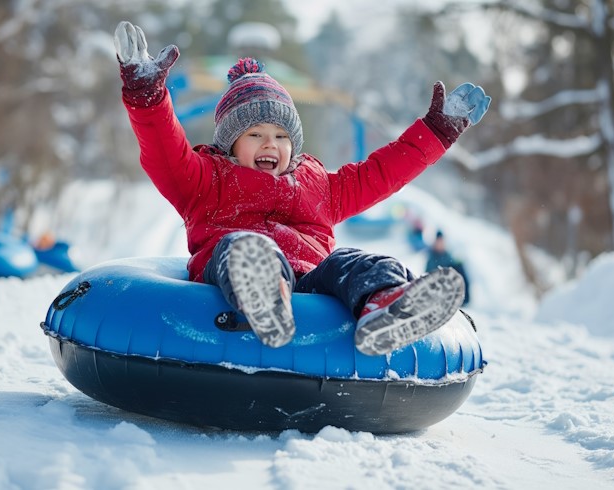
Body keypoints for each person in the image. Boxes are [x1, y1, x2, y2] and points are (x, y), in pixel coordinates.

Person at [113, 21, 490, 355]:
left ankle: (388, 307)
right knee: (244, 249)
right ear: (230, 144)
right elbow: (164, 151)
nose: (270, 144)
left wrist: (436, 131)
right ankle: (262, 295)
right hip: (235, 270)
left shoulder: (321, 185)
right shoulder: (205, 179)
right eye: (255, 134)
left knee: (355, 262)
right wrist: (147, 97)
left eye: (281, 135)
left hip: (311, 280)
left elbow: (383, 172)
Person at [426, 230, 471, 306]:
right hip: (438, 289)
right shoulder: (432, 258)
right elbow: (428, 275)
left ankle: (463, 298)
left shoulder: (448, 256)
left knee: (459, 266)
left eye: (442, 242)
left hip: (449, 288)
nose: (440, 244)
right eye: (438, 242)